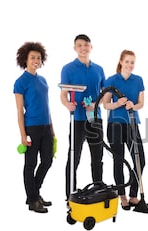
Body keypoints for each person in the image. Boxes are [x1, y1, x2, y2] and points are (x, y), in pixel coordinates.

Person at [60, 34, 105, 201]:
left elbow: (105, 95)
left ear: (91, 47)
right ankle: (69, 195)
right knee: (74, 157)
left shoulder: (99, 69)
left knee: (97, 158)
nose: (83, 48)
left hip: (95, 119)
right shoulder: (67, 69)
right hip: (77, 120)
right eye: (79, 45)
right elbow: (63, 94)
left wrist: (95, 104)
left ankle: (99, 192)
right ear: (75, 48)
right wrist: (67, 104)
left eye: (86, 45)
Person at [14, 42, 54, 213]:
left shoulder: (43, 80)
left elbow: (47, 106)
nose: (36, 60)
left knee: (47, 161)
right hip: (32, 128)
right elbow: (19, 111)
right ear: (25, 59)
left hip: (46, 127)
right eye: (32, 58)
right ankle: (32, 199)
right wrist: (23, 134)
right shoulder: (20, 82)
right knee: (31, 164)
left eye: (38, 57)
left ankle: (34, 194)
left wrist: (52, 129)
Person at [102, 49, 145, 210]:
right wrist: (118, 104)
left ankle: (134, 195)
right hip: (115, 125)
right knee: (118, 161)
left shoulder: (138, 80)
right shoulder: (111, 80)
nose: (129, 65)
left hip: (133, 124)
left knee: (140, 160)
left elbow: (141, 103)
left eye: (132, 62)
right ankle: (123, 196)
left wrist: (133, 105)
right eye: (127, 61)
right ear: (121, 62)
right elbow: (105, 104)